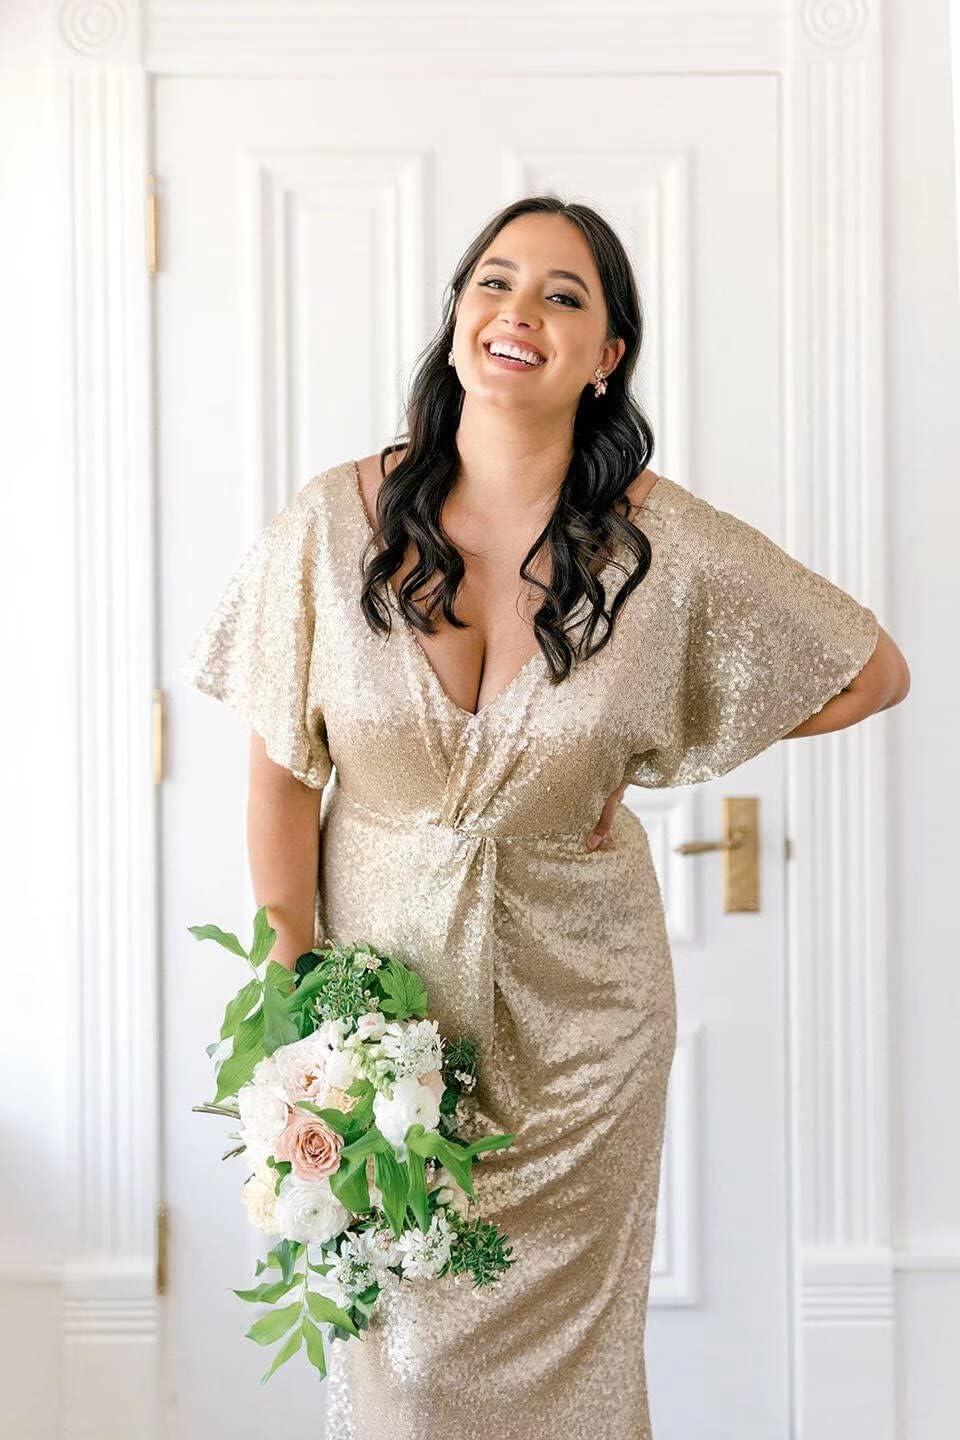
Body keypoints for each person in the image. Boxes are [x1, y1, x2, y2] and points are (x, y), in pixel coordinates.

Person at [183, 196, 910, 1439]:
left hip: (585, 1024)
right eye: (495, 281)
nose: (519, 311)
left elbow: (869, 671)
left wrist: (653, 731)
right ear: (459, 315)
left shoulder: (658, 545)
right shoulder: (331, 523)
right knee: (404, 1367)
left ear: (606, 353)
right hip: (380, 1009)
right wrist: (298, 992)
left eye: (563, 296)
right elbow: (281, 777)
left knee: (572, 1371)